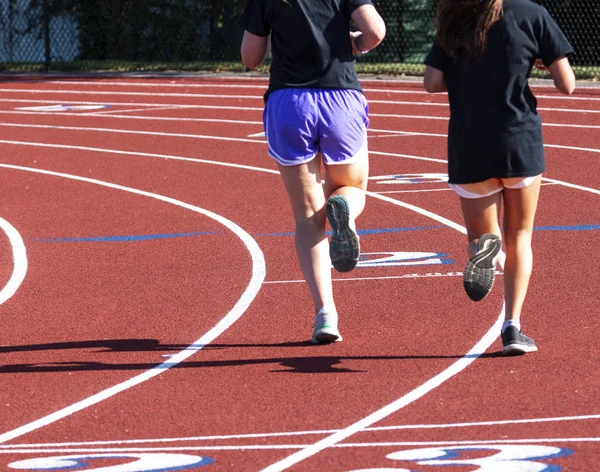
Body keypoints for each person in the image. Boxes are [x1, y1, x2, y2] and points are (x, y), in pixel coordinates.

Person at [423, 0, 575, 355]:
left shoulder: (455, 14)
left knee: (481, 236)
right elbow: (566, 84)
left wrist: (468, 78)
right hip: (518, 140)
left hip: (469, 141)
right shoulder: (531, 14)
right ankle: (512, 327)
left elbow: (431, 82)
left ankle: (485, 253)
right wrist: (530, 63)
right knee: (520, 237)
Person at [238, 0, 386, 344]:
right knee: (352, 187)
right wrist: (357, 43)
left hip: (289, 102)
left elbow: (250, 58)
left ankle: (325, 315)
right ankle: (345, 212)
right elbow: (376, 31)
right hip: (340, 96)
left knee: (307, 216)